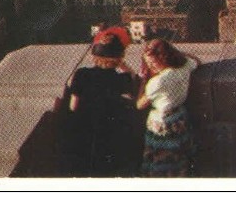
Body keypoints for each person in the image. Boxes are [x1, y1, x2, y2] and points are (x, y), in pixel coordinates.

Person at [64, 26, 138, 176]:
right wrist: (121, 64)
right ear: (119, 57)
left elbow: (73, 106)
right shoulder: (121, 79)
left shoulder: (81, 74)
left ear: (94, 56)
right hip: (110, 131)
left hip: (84, 129)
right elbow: (133, 76)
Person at [136, 38, 200, 177]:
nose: (151, 66)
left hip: (162, 122)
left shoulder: (157, 81)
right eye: (148, 63)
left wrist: (143, 79)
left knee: (162, 162)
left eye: (153, 62)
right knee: (180, 157)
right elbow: (195, 60)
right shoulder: (184, 66)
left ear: (163, 58)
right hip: (179, 117)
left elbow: (140, 104)